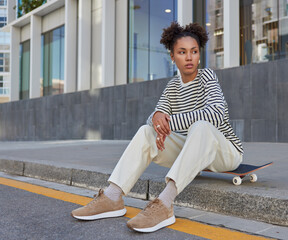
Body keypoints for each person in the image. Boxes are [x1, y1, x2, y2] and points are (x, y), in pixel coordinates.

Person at [71, 22, 244, 233]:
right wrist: (156, 117)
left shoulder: (207, 77)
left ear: (199, 55)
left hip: (225, 151)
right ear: (172, 57)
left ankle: (164, 204)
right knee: (146, 132)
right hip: (193, 148)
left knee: (201, 126)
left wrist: (168, 122)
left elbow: (217, 113)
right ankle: (112, 197)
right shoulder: (172, 86)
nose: (189, 57)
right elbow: (152, 120)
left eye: (194, 51)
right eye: (182, 52)